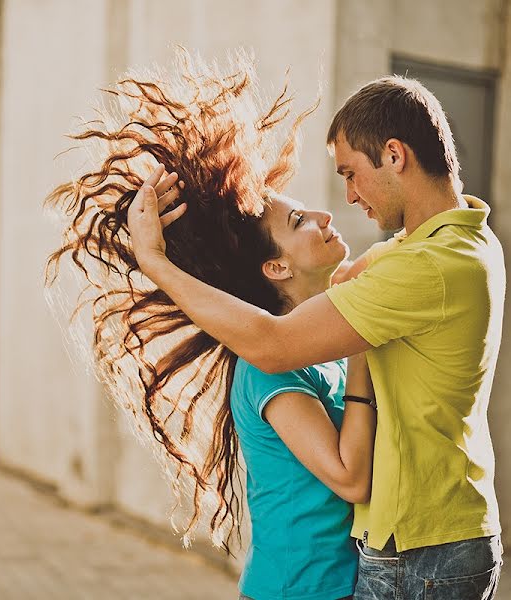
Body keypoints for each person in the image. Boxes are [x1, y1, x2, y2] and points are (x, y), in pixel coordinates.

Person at [127, 75, 506, 600]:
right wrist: (158, 256)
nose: (345, 199)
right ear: (276, 265)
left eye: (352, 174)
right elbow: (277, 339)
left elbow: (278, 338)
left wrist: (156, 263)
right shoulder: (461, 241)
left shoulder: (423, 266)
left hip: (421, 548)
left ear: (394, 155)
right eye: (302, 218)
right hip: (344, 572)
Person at [45, 51, 378, 600]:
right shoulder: (270, 368)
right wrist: (368, 344)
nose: (324, 216)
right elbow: (349, 477)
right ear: (277, 268)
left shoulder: (323, 346)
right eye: (300, 222)